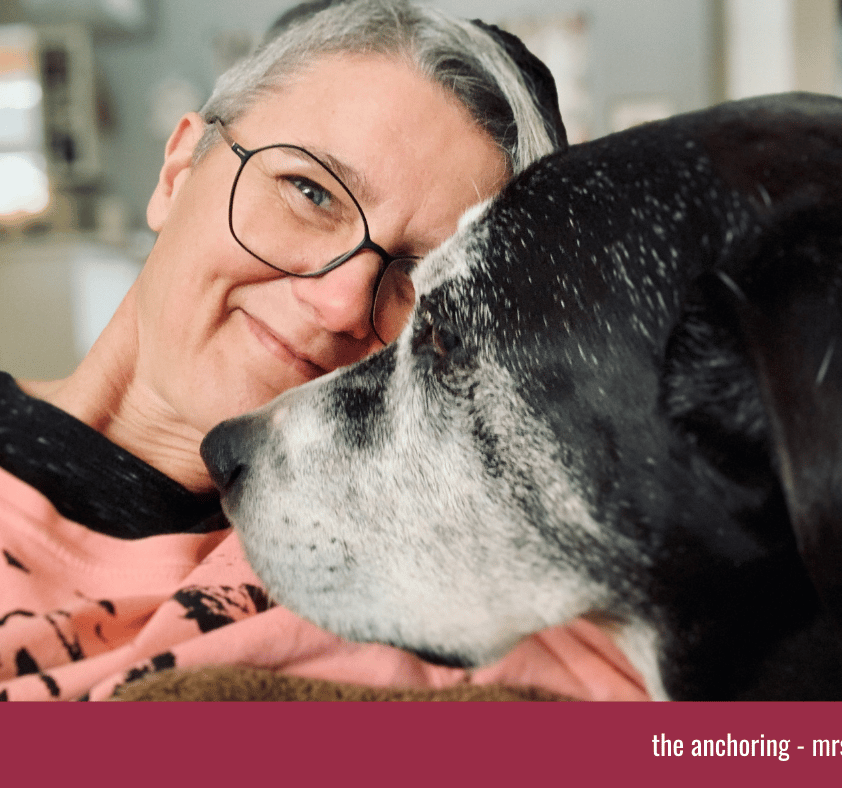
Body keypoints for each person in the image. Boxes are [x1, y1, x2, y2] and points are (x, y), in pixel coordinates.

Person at [0, 0, 648, 701]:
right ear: (178, 170)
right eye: (310, 191)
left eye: (419, 281)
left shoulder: (460, 596)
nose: (340, 302)